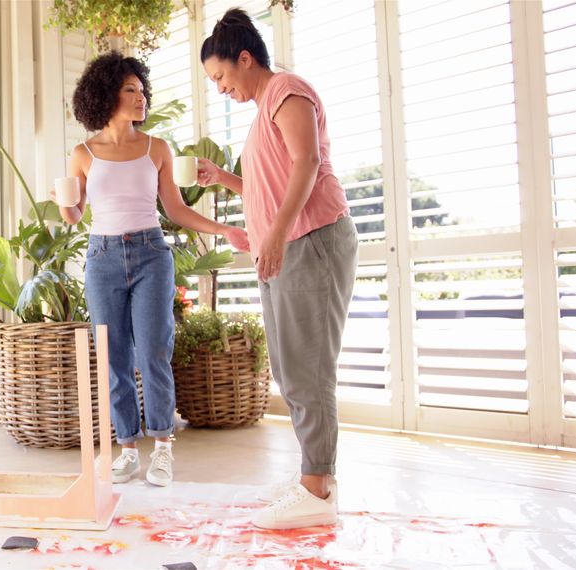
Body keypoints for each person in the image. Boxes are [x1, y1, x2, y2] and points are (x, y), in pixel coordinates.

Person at [51, 51, 248, 487]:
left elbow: (175, 210)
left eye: (142, 90)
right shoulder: (83, 153)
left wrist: (224, 230)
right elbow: (73, 216)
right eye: (130, 90)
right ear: (107, 94)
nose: (140, 98)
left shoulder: (157, 148)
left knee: (154, 352)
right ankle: (126, 449)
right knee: (114, 356)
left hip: (150, 255)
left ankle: (161, 449)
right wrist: (61, 198)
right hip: (101, 259)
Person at [196, 8, 359, 529]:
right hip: (287, 245)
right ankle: (314, 476)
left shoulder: (287, 90)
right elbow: (272, 184)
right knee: (290, 369)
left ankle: (318, 488)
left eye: (221, 76)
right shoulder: (264, 107)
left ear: (245, 59)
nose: (220, 88)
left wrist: (275, 233)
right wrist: (225, 179)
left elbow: (308, 163)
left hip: (311, 241)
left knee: (308, 369)